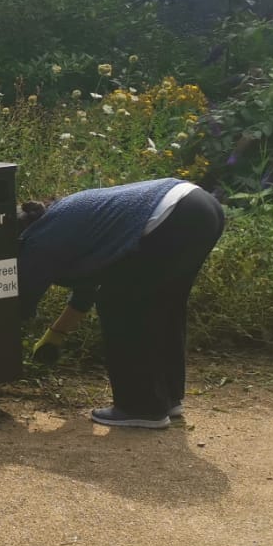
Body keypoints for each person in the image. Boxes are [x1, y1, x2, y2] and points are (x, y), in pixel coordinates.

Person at [17, 178, 225, 429]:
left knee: (120, 305)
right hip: (200, 206)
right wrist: (56, 334)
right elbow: (88, 287)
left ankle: (142, 407)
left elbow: (21, 304)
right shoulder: (66, 222)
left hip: (172, 216)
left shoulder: (37, 240)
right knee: (164, 304)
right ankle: (167, 398)